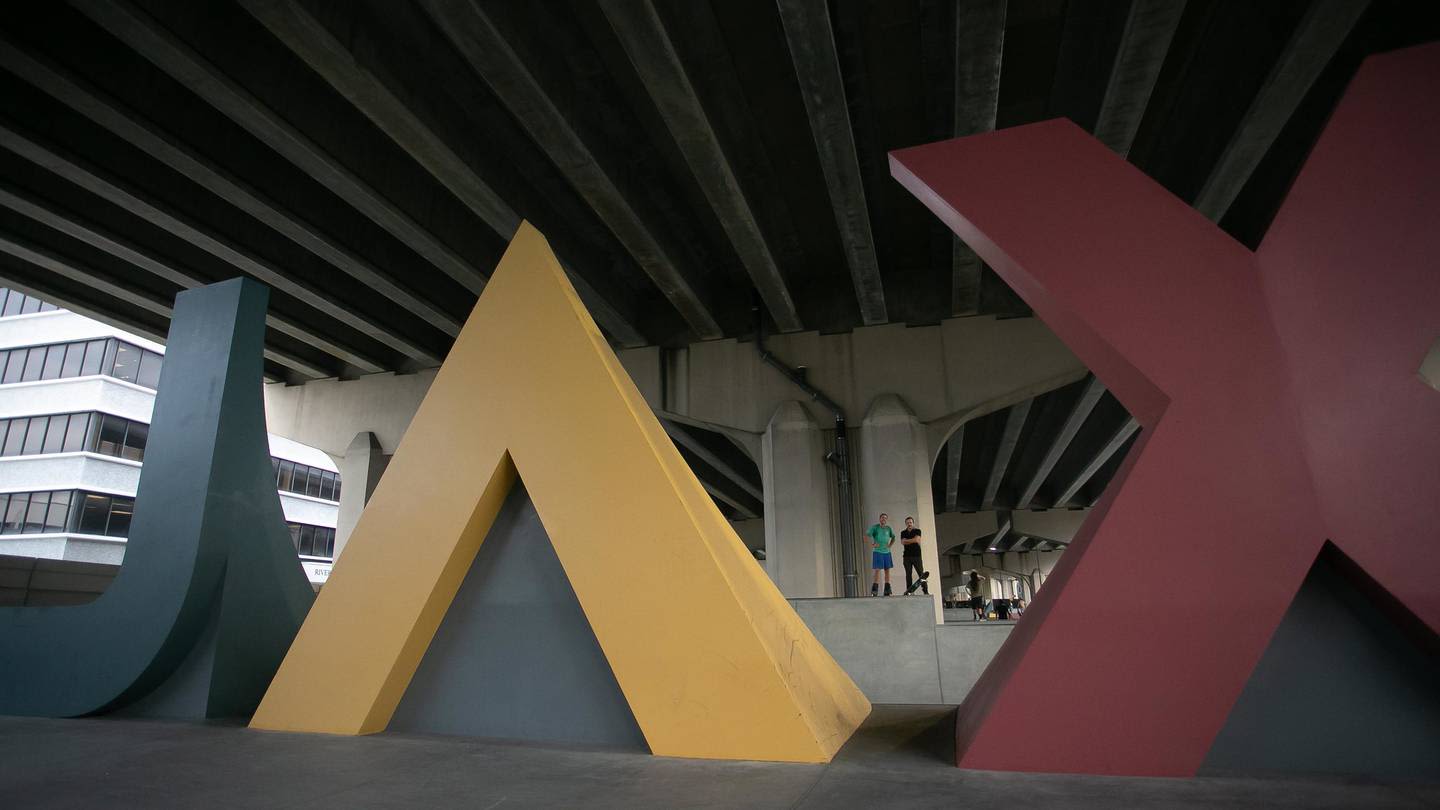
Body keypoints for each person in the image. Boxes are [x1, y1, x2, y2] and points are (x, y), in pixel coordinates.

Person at [866, 513, 895, 596]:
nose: (884, 519)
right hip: (878, 552)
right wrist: (872, 544)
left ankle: (887, 589)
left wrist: (890, 545)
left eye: (885, 518)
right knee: (877, 570)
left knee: (887, 570)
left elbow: (893, 537)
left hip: (887, 552)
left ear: (886, 520)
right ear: (879, 519)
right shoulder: (875, 527)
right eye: (882, 518)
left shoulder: (888, 528)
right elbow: (867, 535)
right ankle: (875, 590)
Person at [899, 516, 927, 595]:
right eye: (907, 523)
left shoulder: (917, 531)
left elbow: (917, 539)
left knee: (921, 574)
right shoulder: (903, 532)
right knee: (908, 574)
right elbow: (903, 542)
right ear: (905, 524)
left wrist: (908, 540)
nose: (909, 524)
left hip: (916, 556)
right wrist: (913, 540)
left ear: (913, 523)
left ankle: (925, 590)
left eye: (910, 522)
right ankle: (909, 591)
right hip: (906, 557)